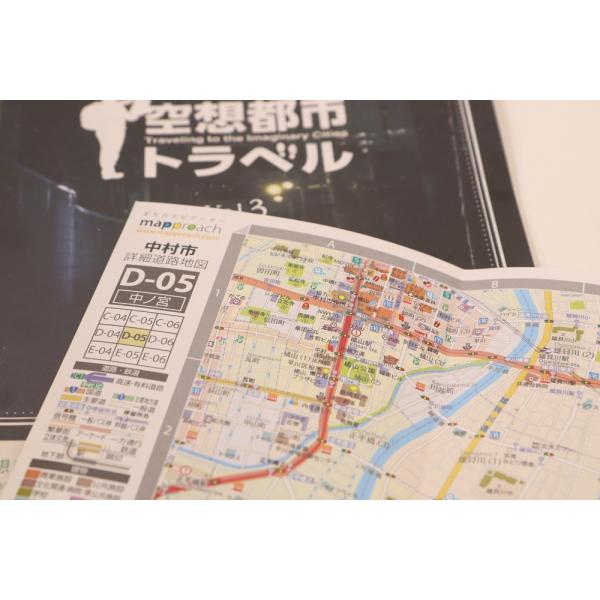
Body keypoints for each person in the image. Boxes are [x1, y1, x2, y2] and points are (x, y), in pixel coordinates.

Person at [80, 100, 150, 180]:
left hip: (104, 131)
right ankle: (107, 171)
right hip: (114, 131)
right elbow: (130, 117)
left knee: (108, 151)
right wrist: (139, 109)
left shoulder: (101, 106)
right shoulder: (116, 107)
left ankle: (107, 171)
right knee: (111, 151)